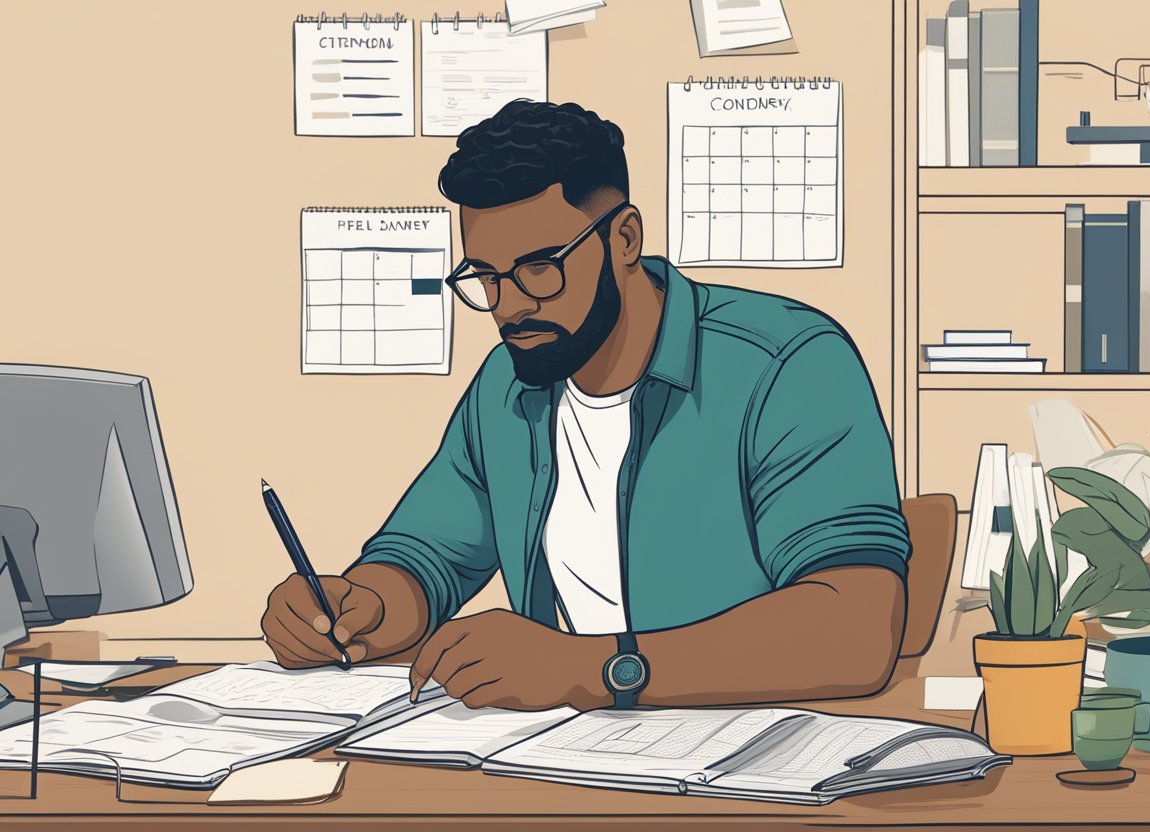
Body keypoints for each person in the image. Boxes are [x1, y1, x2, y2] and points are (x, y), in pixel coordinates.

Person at [261, 99, 912, 711]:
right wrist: (360, 606)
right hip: (559, 751)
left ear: (624, 238)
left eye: (539, 268)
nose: (510, 306)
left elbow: (853, 629)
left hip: (756, 752)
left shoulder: (787, 362)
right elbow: (428, 558)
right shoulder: (508, 386)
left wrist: (589, 669)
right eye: (485, 276)